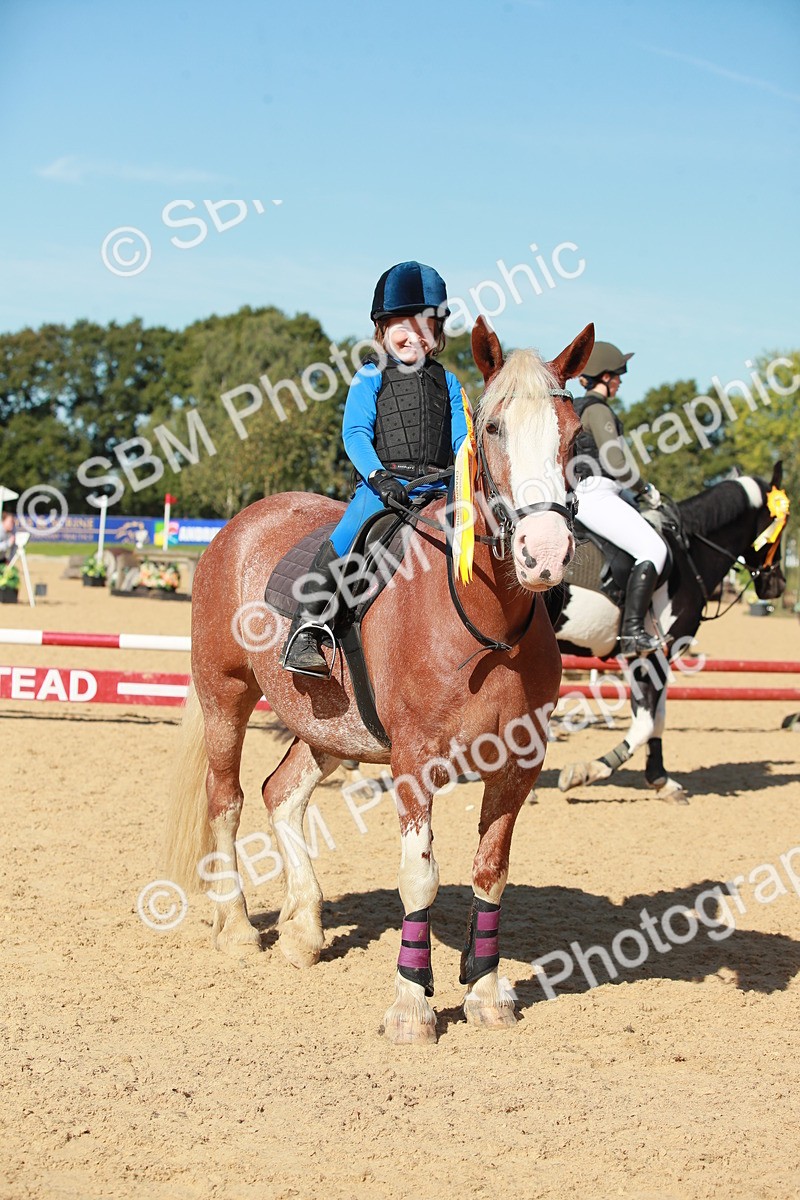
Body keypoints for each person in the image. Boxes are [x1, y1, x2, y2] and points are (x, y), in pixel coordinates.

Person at [283, 261, 470, 675]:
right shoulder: (370, 375)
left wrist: (463, 476)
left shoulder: (450, 383)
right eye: (402, 326)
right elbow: (355, 434)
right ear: (382, 329)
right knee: (350, 530)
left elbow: (462, 440)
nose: (413, 336)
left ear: (437, 333)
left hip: (438, 489)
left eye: (424, 326)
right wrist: (378, 477)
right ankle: (307, 627)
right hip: (384, 486)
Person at [571, 341, 667, 657]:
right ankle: (633, 633)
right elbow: (616, 464)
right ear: (604, 376)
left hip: (587, 490)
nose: (620, 382)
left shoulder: (574, 407)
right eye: (618, 375)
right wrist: (645, 489)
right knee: (654, 548)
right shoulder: (598, 409)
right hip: (596, 492)